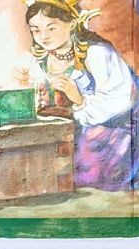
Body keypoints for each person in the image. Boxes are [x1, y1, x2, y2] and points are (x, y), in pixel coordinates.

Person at [13, 0, 139, 191]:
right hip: (71, 124)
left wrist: (78, 98)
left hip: (115, 127)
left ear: (72, 23)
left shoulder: (96, 52)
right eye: (36, 30)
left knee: (88, 159)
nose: (43, 37)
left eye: (51, 28)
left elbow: (121, 100)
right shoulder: (41, 56)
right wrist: (27, 86)